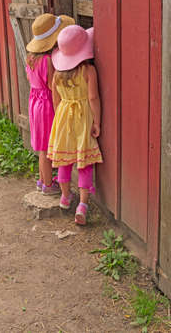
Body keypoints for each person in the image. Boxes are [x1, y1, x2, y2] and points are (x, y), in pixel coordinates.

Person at [47, 25, 103, 224]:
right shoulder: (88, 70)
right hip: (83, 116)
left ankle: (65, 197)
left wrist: (59, 117)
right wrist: (97, 122)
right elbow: (93, 97)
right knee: (84, 161)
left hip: (63, 115)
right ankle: (83, 205)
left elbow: (55, 99)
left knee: (64, 159)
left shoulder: (57, 74)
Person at [26, 13, 75, 195]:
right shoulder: (47, 60)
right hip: (46, 104)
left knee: (41, 145)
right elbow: (51, 86)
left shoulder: (31, 58)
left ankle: (41, 180)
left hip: (34, 101)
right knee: (47, 147)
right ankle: (48, 184)